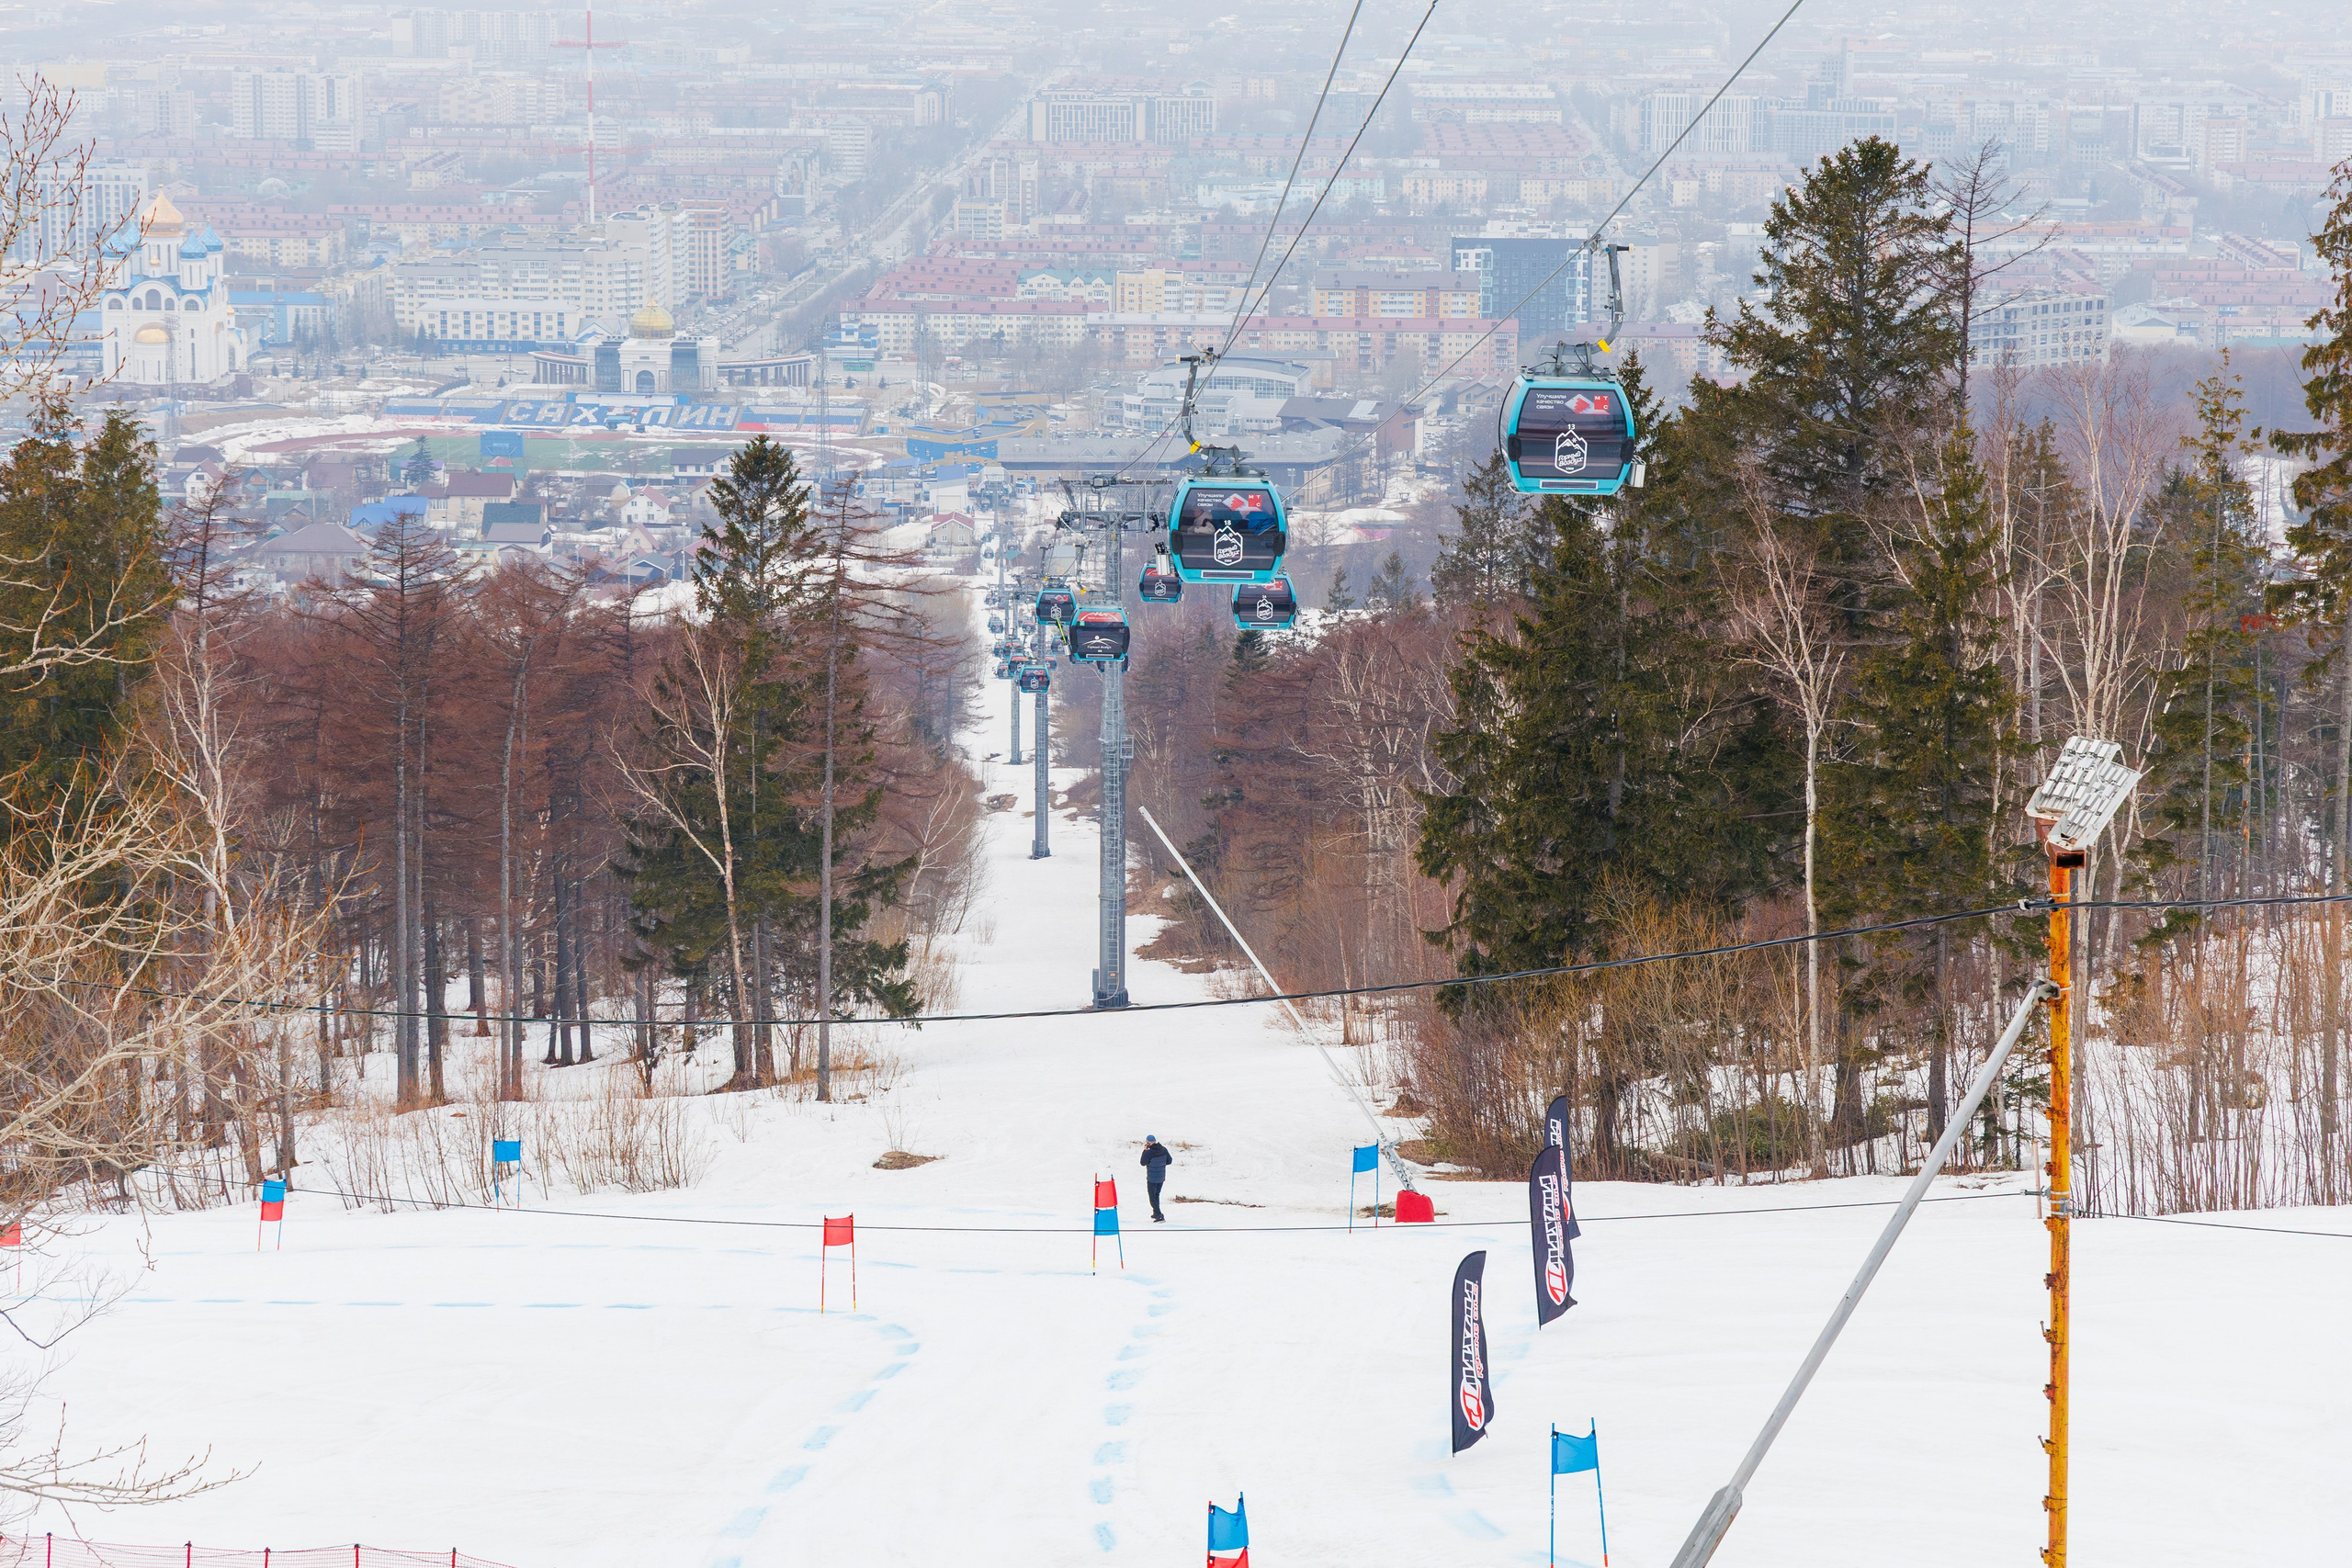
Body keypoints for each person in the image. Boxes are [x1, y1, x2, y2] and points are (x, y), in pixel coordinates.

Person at [1139, 1134, 1171, 1222]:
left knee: (1152, 1197)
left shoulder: (1149, 1152)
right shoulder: (1163, 1150)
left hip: (1152, 1178)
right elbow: (1169, 1161)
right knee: (1157, 1195)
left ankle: (1159, 1215)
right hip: (1161, 1177)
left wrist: (1145, 1151)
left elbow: (1142, 1162)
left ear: (1148, 1142)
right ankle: (1156, 1212)